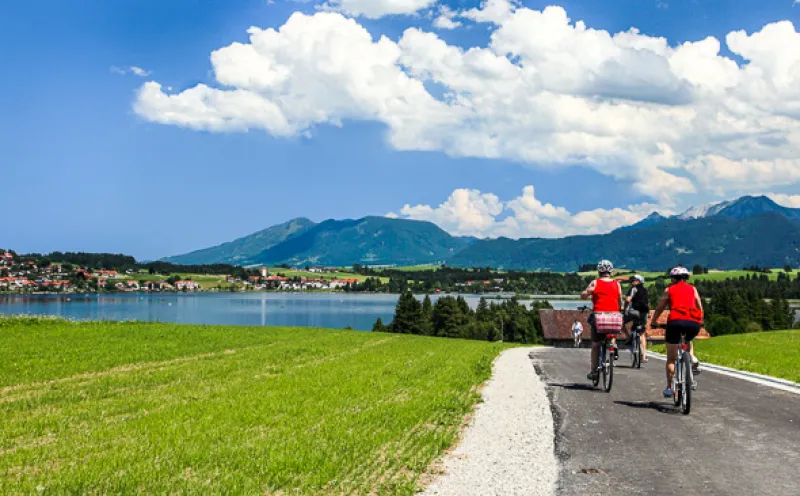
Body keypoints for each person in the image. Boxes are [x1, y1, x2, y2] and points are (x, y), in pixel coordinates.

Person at [650, 266, 703, 398]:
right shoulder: (693, 289)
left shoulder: (669, 290)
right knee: (688, 339)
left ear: (673, 278)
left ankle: (669, 387)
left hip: (675, 322)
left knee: (671, 359)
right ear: (686, 278)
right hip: (693, 322)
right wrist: (700, 321)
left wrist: (654, 321)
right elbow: (699, 306)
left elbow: (660, 307)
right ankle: (691, 357)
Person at [580, 260, 623, 381]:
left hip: (599, 316)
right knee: (613, 327)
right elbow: (620, 299)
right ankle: (613, 343)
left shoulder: (595, 283)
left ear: (599, 271)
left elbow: (584, 294)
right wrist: (620, 309)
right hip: (614, 316)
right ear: (611, 271)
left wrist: (584, 294)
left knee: (595, 344)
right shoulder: (617, 284)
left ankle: (593, 371)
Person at [623, 274, 650, 363]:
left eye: (634, 280)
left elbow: (627, 300)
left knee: (620, 322)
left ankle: (628, 338)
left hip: (634, 311)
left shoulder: (634, 288)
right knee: (642, 333)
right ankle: (644, 356)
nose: (632, 282)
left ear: (638, 281)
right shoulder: (645, 290)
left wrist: (624, 309)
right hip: (644, 313)